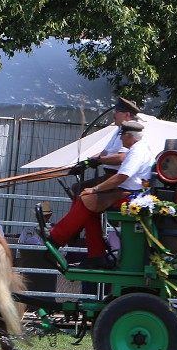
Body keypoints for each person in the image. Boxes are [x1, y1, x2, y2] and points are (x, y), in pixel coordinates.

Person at [46, 120, 153, 269]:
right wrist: (91, 162)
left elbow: (121, 177)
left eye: (122, 136)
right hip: (126, 193)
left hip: (129, 196)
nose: (121, 139)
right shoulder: (138, 148)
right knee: (90, 209)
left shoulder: (137, 151)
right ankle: (96, 256)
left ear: (129, 136)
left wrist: (96, 189)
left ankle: (57, 236)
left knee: (86, 199)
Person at [72, 97, 141, 194]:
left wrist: (98, 160)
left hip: (118, 180)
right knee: (77, 187)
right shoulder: (119, 130)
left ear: (127, 115)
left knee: (78, 189)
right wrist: (86, 162)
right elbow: (105, 152)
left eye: (117, 111)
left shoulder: (130, 132)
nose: (114, 114)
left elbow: (120, 158)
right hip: (109, 176)